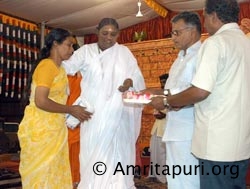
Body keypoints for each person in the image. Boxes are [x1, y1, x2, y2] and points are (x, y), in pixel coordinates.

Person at [146, 0, 250, 188]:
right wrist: (160, 93)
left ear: (213, 16)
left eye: (205, 17)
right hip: (241, 143)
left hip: (215, 143)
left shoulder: (215, 43)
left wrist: (167, 101)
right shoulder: (246, 42)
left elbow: (200, 90)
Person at [63, 18, 145, 189]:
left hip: (118, 117)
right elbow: (66, 68)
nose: (109, 37)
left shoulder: (124, 53)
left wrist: (130, 82)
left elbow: (137, 79)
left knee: (119, 158)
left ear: (118, 34)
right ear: (97, 31)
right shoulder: (85, 51)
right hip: (93, 117)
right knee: (91, 157)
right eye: (105, 33)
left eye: (113, 34)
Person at [18, 28, 90, 189]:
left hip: (55, 129)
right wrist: (71, 109)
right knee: (41, 176)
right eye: (69, 45)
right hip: (40, 130)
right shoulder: (46, 66)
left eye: (73, 46)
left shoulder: (62, 68)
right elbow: (41, 101)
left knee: (55, 173)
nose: (72, 50)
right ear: (55, 44)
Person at [142, 11, 202, 189]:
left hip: (188, 131)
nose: (173, 38)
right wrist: (155, 92)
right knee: (176, 181)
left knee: (188, 181)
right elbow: (173, 90)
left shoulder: (201, 55)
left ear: (192, 31)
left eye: (177, 33)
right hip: (174, 128)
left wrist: (165, 100)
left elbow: (195, 91)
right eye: (172, 33)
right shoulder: (179, 59)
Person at [147, 73, 168, 184]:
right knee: (154, 152)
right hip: (156, 128)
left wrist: (164, 113)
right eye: (161, 82)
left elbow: (172, 111)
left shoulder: (171, 94)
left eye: (164, 82)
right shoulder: (159, 95)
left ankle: (163, 177)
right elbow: (155, 111)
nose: (162, 84)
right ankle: (153, 174)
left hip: (165, 128)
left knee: (162, 154)